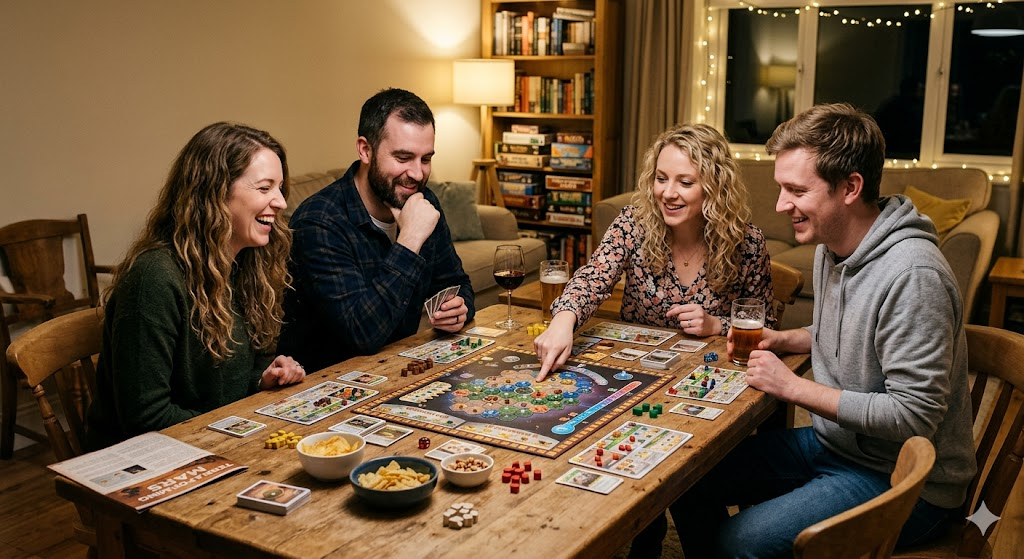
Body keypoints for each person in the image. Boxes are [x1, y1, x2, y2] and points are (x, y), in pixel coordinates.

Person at [667, 103, 977, 558]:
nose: (779, 205)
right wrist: (787, 338)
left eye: (796, 190)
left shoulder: (913, 275)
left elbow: (912, 416)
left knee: (740, 542)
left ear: (850, 187)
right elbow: (851, 331)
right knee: (685, 476)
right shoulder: (834, 246)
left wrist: (792, 387)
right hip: (842, 445)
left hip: (906, 481)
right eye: (780, 188)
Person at [86, 122, 306, 450]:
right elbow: (144, 416)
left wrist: (264, 377)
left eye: (280, 188)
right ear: (214, 193)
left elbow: (236, 373)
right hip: (147, 460)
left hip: (214, 440)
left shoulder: (249, 263)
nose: (280, 202)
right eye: (264, 188)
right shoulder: (154, 278)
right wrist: (238, 431)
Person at [533, 123, 775, 383]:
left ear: (715, 187)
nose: (668, 193)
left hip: (706, 378)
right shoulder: (633, 224)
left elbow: (768, 328)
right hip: (633, 373)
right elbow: (592, 279)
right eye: (661, 179)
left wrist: (716, 326)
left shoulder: (748, 242)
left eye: (685, 182)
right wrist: (562, 323)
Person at [279, 88, 474, 372]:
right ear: (365, 149)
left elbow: (456, 283)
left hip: (396, 370)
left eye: (426, 158)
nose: (418, 174)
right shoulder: (318, 221)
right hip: (325, 386)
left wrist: (459, 309)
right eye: (403, 157)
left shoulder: (423, 201)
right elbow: (363, 335)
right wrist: (409, 240)